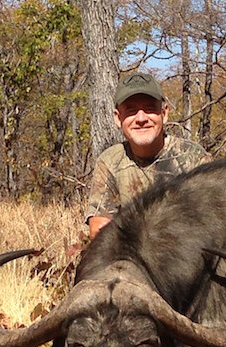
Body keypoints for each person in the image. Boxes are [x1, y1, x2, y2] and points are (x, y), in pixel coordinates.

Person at [85, 73, 211, 239]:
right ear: (118, 118)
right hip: (131, 255)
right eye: (131, 110)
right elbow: (99, 229)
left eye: (150, 109)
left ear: (164, 114)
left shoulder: (193, 157)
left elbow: (211, 220)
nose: (141, 119)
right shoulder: (110, 161)